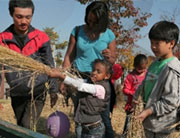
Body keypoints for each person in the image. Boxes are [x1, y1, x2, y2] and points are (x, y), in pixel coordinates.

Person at [0, 0, 58, 129]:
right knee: (21, 126)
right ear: (11, 14)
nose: (24, 21)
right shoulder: (3, 39)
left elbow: (50, 65)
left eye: (28, 17)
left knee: (27, 126)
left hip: (37, 91)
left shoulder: (41, 37)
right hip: (17, 92)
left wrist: (54, 90)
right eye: (19, 17)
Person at [62, 1, 116, 138]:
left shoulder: (109, 35)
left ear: (102, 22)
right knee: (80, 116)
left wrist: (109, 57)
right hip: (79, 78)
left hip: (99, 82)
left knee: (103, 117)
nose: (91, 25)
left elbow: (112, 61)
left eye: (95, 22)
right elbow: (69, 56)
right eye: (89, 20)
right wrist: (63, 79)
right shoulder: (77, 31)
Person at [133, 21, 180, 138]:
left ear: (171, 43)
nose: (153, 47)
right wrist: (137, 96)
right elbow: (145, 83)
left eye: (157, 43)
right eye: (151, 42)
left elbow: (171, 101)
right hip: (149, 122)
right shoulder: (154, 64)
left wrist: (149, 111)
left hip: (161, 126)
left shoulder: (172, 69)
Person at [48, 59, 112, 138]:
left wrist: (60, 76)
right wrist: (62, 73)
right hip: (84, 127)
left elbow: (80, 86)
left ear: (107, 76)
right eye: (93, 70)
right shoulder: (89, 81)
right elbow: (77, 81)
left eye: (98, 72)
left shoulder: (101, 88)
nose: (94, 73)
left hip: (95, 130)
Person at [122, 54, 148, 138]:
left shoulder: (148, 75)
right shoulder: (130, 76)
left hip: (144, 107)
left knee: (143, 130)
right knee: (128, 127)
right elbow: (125, 89)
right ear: (135, 66)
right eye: (139, 68)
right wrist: (134, 94)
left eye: (143, 69)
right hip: (131, 107)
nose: (141, 70)